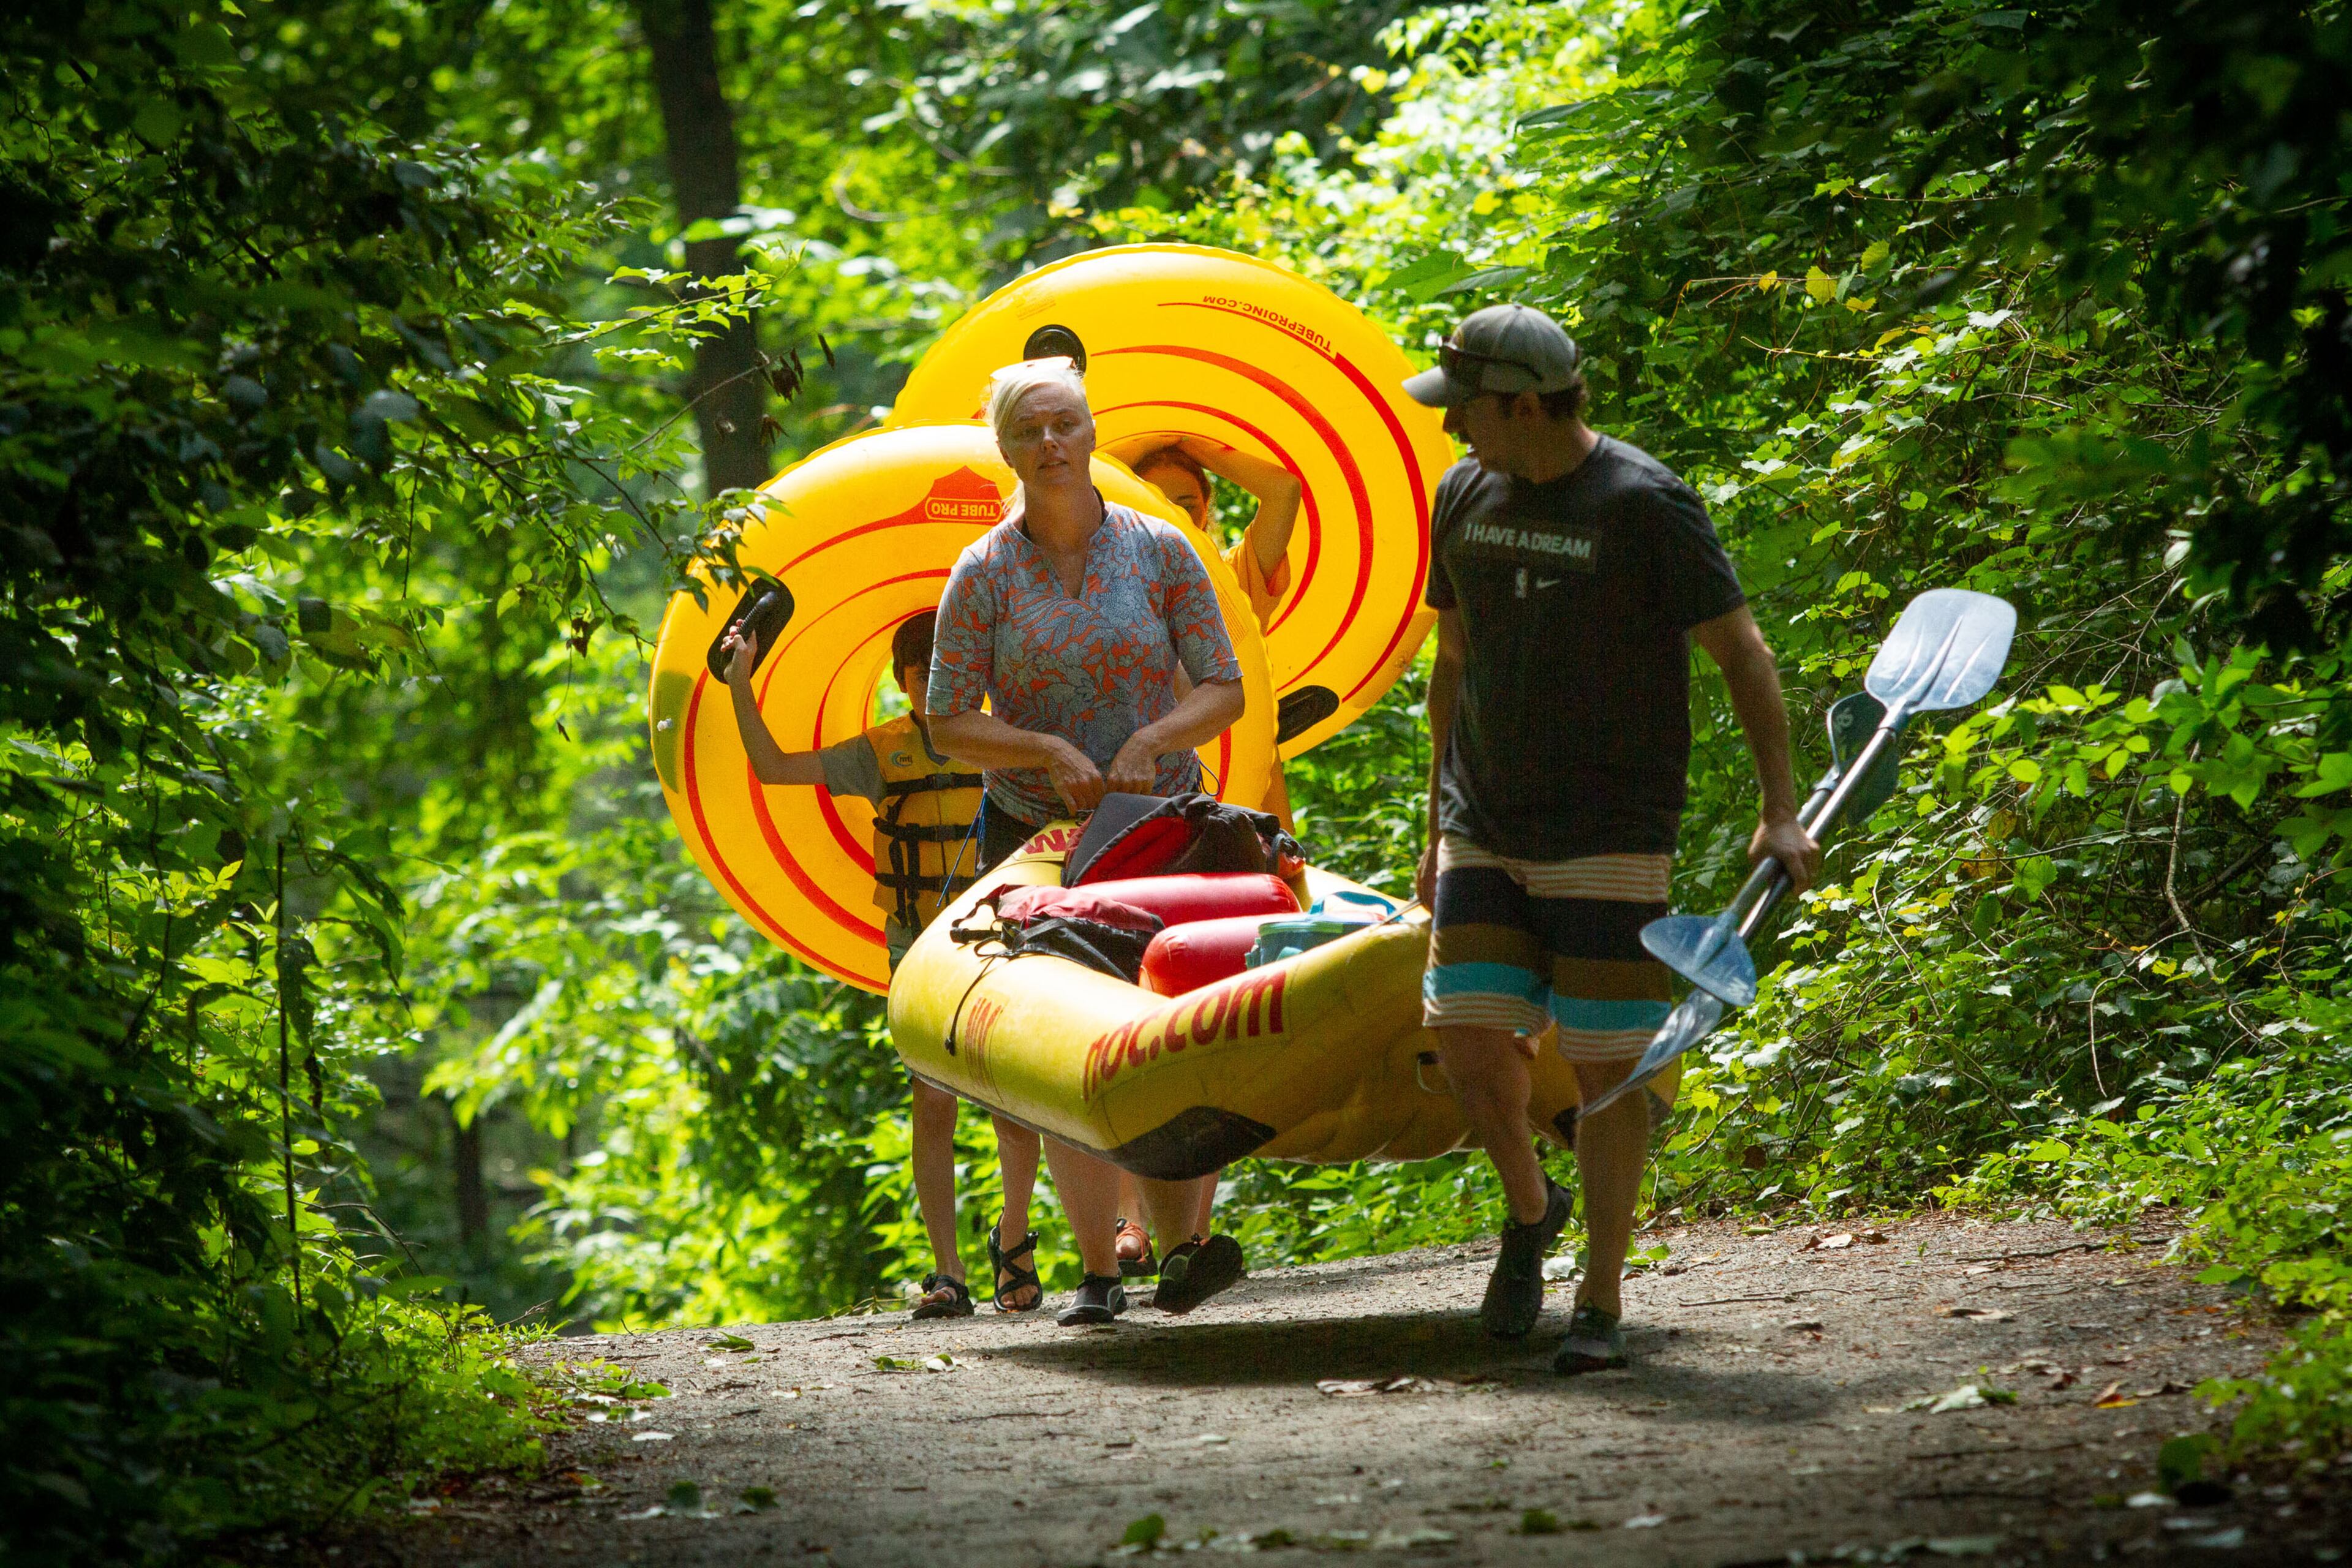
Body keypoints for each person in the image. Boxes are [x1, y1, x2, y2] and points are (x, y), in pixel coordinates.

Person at [1403, 303, 1822, 1374]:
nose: (1456, 433)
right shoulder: (1464, 494)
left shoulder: (1644, 505)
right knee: (1465, 1041)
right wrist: (1431, 823)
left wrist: (1781, 810)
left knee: (1608, 1074)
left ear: (1529, 403)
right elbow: (1453, 662)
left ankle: (1598, 1302)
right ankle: (1530, 1211)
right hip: (1482, 822)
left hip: (1609, 827)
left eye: (1471, 411)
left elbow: (1742, 654)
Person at [926, 355, 1254, 1325]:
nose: (1051, 444)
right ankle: (1097, 1276)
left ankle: (1187, 1248)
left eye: (1065, 423)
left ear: (1094, 432)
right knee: (1069, 1049)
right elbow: (947, 719)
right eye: (1029, 430)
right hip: (1037, 838)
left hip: (1164, 825)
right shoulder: (983, 572)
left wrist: (1155, 738)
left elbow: (1224, 685)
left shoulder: (1159, 550)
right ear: (1005, 449)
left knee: (1179, 1028)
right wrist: (1039, 746)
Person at [721, 609, 1047, 1319]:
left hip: (999, 939)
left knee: (1014, 1106)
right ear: (902, 682)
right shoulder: (880, 753)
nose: (936, 686)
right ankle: (947, 1273)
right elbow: (775, 769)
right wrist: (741, 682)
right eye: (923, 672)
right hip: (918, 947)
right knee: (933, 1103)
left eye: (950, 671)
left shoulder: (1008, 744)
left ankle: (1014, 1239)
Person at [1109, 434, 1305, 1275]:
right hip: (1140, 823)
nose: (1177, 516)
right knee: (1123, 1012)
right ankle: (1129, 1225)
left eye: (1190, 502)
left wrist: (1194, 443)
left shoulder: (1230, 578)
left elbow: (1285, 489)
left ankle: (1188, 1232)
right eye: (1159, 502)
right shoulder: (1110, 590)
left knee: (1209, 1021)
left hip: (1239, 827)